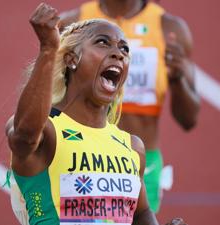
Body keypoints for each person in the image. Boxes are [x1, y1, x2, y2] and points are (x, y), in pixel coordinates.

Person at [6, 3, 187, 225]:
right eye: (103, 42)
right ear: (72, 59)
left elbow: (141, 215)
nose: (119, 54)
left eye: (124, 49)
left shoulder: (132, 147)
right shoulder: (47, 131)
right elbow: (24, 136)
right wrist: (48, 50)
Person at [59, 0, 200, 213]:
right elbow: (53, 92)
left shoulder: (169, 29)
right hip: (81, 156)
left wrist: (177, 79)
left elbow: (189, 120)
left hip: (141, 163)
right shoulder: (74, 23)